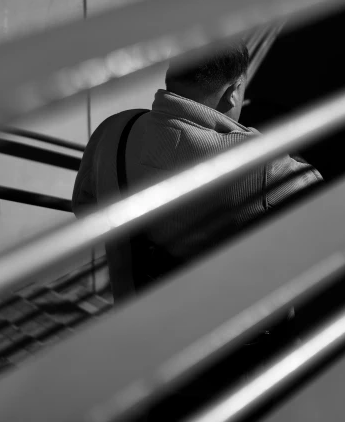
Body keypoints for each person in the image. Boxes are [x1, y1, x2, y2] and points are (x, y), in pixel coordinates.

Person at [72, 40, 322, 302]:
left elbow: (85, 209)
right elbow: (326, 220)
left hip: (138, 323)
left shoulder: (113, 130)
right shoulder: (259, 164)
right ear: (234, 91)